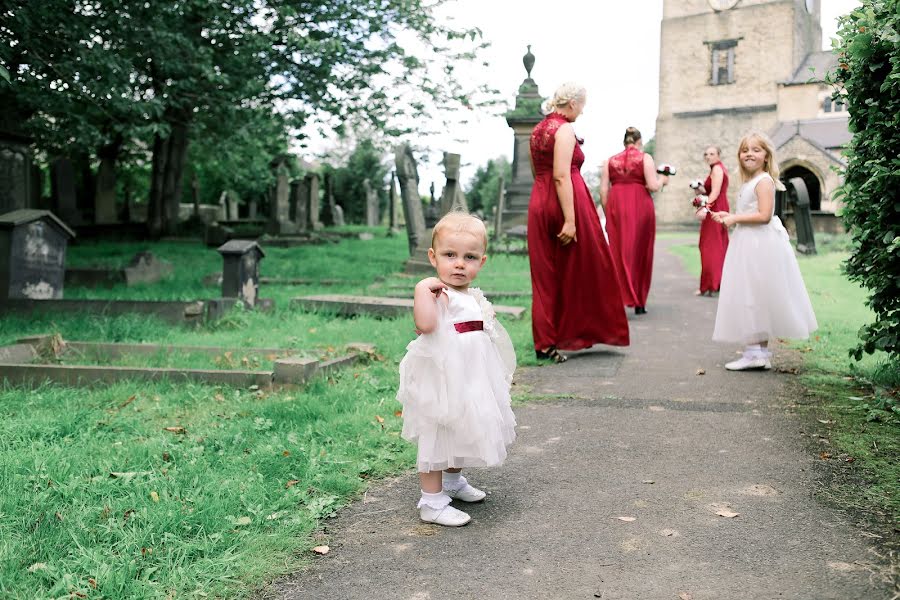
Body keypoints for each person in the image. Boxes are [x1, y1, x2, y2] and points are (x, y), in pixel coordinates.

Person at [397, 212, 517, 526]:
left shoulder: (471, 295)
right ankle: (431, 502)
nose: (460, 263)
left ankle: (452, 482)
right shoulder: (437, 291)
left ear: (482, 261)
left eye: (470, 257)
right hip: (443, 376)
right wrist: (422, 290)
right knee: (438, 429)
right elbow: (424, 324)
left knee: (462, 425)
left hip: (470, 373)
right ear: (433, 257)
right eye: (450, 255)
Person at [527, 82, 630, 363]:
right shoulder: (564, 129)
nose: (582, 111)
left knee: (544, 275)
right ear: (572, 103)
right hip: (566, 202)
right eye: (582, 105)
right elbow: (561, 175)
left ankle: (545, 342)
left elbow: (539, 171)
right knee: (586, 267)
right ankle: (575, 333)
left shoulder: (537, 131)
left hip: (539, 200)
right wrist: (570, 220)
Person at [710, 131, 818, 370]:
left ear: (767, 156)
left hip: (758, 245)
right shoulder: (749, 182)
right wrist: (730, 215)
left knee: (754, 296)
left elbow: (764, 215)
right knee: (751, 296)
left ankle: (754, 354)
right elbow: (751, 210)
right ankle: (757, 353)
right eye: (745, 150)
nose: (749, 154)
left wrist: (735, 218)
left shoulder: (764, 181)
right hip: (748, 241)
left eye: (756, 150)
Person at [600, 127, 669, 314]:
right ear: (639, 141)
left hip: (616, 206)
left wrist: (608, 214)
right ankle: (639, 302)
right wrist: (663, 179)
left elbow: (603, 191)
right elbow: (653, 186)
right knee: (641, 251)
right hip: (640, 206)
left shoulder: (610, 161)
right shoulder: (645, 158)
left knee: (617, 252)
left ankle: (618, 299)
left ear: (624, 142)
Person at [696, 145, 730, 296]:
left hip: (715, 209)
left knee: (710, 246)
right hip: (718, 205)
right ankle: (717, 282)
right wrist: (699, 190)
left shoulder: (717, 169)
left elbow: (715, 192)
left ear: (719, 155)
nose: (708, 156)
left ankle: (712, 284)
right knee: (717, 245)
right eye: (706, 154)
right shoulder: (715, 169)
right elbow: (710, 190)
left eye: (712, 154)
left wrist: (705, 207)